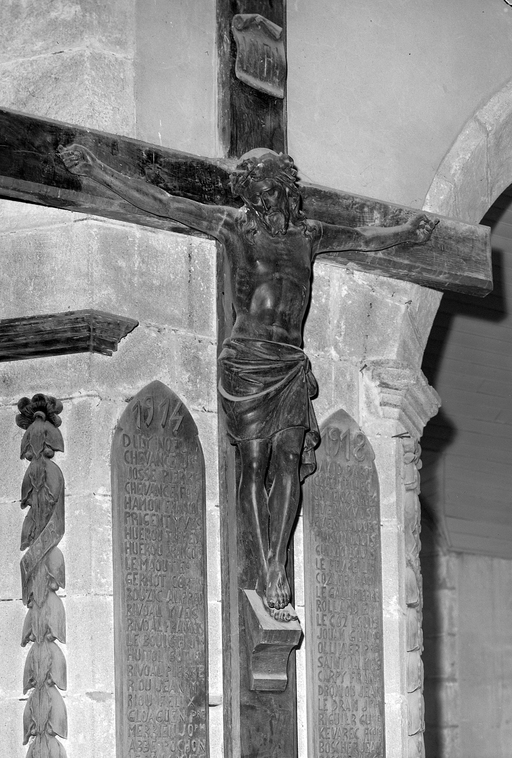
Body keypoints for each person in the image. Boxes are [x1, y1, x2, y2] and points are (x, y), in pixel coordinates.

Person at [58, 144, 437, 621]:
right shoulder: (235, 226)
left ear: (282, 186)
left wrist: (408, 232)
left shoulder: (309, 235)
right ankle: (266, 563)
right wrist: (97, 170)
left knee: (288, 459)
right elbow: (165, 203)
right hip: (248, 360)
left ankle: (276, 561)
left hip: (290, 362)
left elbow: (362, 237)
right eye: (251, 189)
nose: (258, 196)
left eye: (265, 187)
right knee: (254, 462)